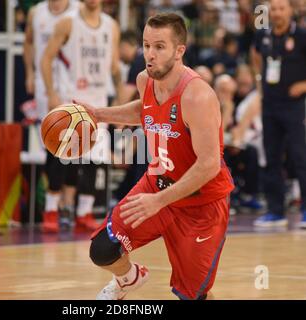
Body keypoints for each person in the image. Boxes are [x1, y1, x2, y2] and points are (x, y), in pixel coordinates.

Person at [80, 13, 234, 300]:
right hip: (156, 185)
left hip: (200, 205)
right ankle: (128, 279)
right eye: (146, 45)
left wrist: (159, 202)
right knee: (103, 249)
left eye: (159, 47)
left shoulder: (197, 96)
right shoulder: (144, 80)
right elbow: (145, 109)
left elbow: (209, 165)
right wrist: (99, 114)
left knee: (194, 296)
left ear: (179, 51)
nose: (149, 54)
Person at [41, 0, 124, 231]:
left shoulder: (112, 26)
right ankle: (50, 210)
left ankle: (84, 212)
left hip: (98, 104)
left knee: (94, 160)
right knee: (62, 159)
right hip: (72, 100)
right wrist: (51, 93)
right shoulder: (67, 23)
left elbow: (115, 67)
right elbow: (46, 58)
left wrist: (119, 100)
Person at [23, 0, 81, 232]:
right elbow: (28, 43)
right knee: (53, 144)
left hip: (73, 84)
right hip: (45, 86)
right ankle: (53, 205)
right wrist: (29, 72)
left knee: (76, 147)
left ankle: (66, 204)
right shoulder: (36, 12)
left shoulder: (78, 11)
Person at [251, 0, 306, 228]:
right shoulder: (263, 35)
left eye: (282, 9)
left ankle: (305, 210)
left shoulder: (302, 36)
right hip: (270, 104)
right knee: (271, 157)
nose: (277, 13)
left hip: (295, 105)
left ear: (290, 11)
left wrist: (303, 86)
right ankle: (275, 211)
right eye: (273, 9)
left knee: (300, 156)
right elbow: (255, 55)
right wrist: (259, 81)